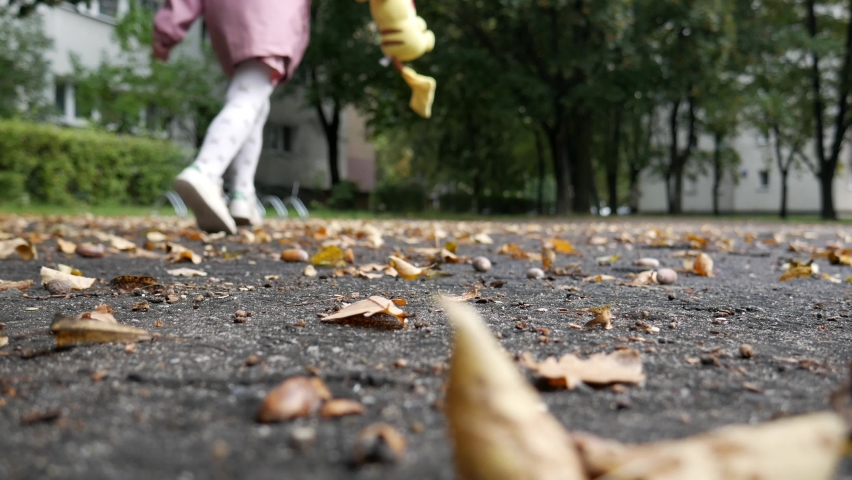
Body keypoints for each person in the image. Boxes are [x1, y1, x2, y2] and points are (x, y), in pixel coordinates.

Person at [152, 0, 311, 234]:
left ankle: (242, 196)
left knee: (255, 101)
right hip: (269, 14)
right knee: (248, 96)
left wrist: (167, 30)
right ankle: (205, 171)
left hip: (228, 17)